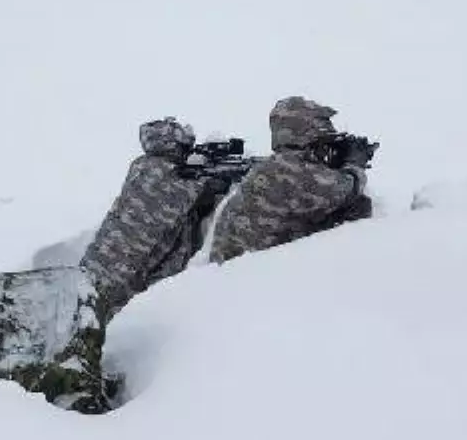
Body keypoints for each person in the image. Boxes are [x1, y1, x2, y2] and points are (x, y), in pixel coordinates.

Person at [80, 117, 229, 320]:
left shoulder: (143, 166)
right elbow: (180, 195)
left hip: (96, 271)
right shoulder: (160, 171)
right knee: (97, 311)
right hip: (113, 274)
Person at [209, 96, 373, 265]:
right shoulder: (291, 169)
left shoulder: (275, 166)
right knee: (358, 207)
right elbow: (349, 187)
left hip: (234, 273)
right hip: (250, 277)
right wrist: (354, 162)